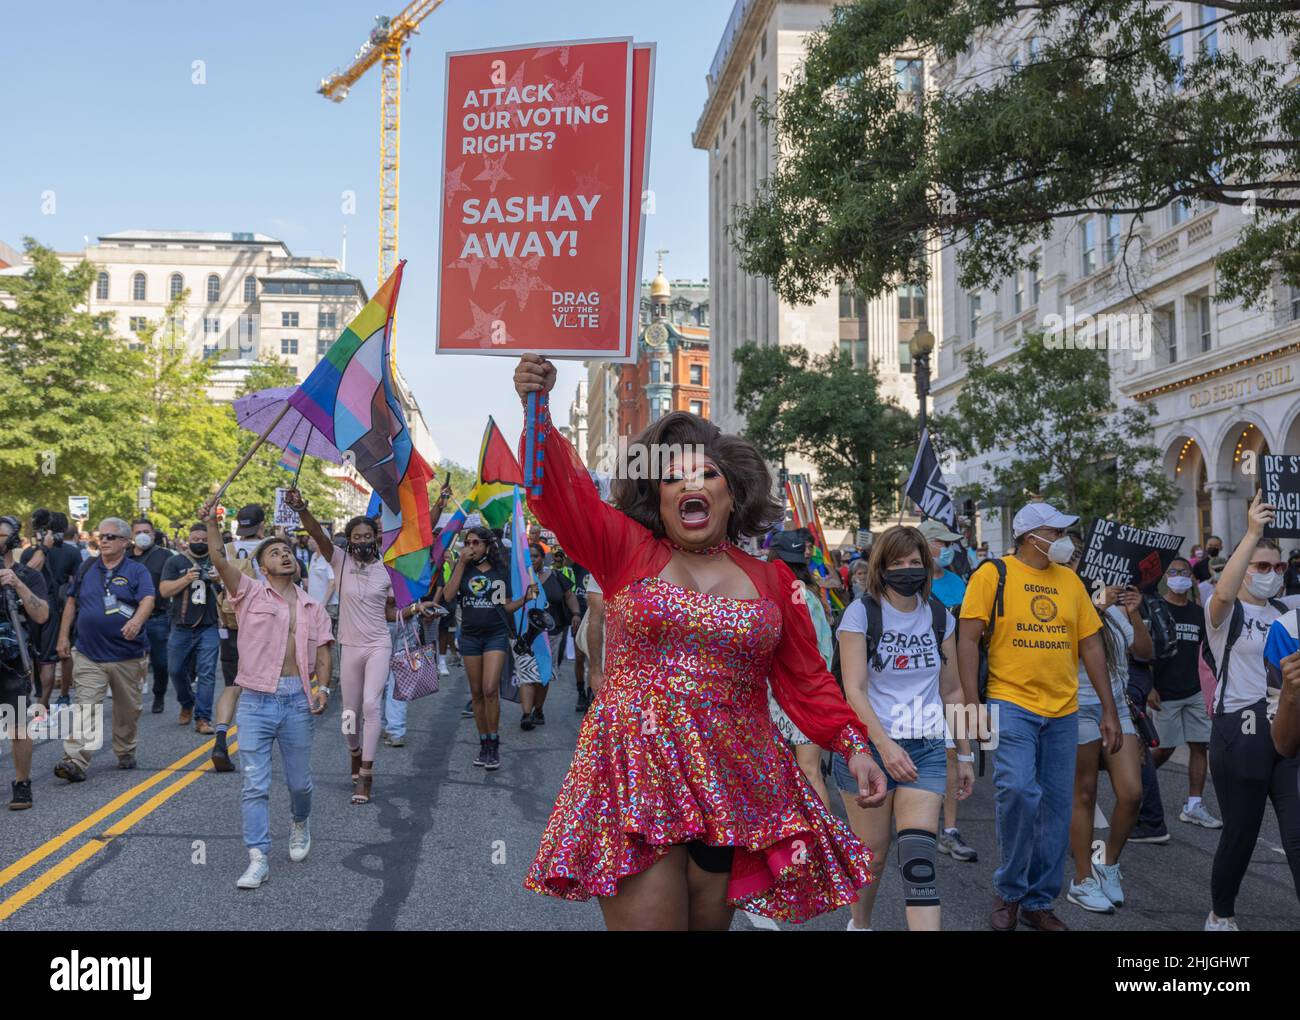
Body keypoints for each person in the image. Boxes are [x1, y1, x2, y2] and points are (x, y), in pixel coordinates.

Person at [514, 354, 887, 930]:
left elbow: (806, 678)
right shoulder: (626, 550)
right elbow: (561, 496)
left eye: (707, 474)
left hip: (735, 781)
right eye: (674, 477)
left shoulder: (773, 581)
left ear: (732, 494)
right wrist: (535, 410)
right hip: (637, 772)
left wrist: (853, 746)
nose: (691, 484)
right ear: (657, 498)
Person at [958, 502, 1119, 932]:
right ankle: (1010, 891)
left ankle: (1039, 901)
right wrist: (972, 705)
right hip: (1010, 703)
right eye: (1057, 531)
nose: (1065, 540)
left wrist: (1108, 709)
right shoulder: (993, 574)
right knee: (1017, 791)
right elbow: (968, 640)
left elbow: (1091, 647)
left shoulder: (1071, 582)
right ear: (1032, 536)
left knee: (1054, 807)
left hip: (1064, 711)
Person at [834, 525, 975, 930]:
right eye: (898, 563)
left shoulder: (939, 616)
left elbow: (952, 691)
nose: (907, 569)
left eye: (915, 562)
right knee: (874, 855)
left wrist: (963, 753)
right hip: (870, 751)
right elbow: (855, 690)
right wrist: (885, 746)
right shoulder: (862, 613)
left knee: (918, 856)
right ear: (882, 567)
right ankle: (860, 923)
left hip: (927, 749)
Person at [198, 501, 331, 889]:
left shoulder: (313, 606)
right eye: (275, 552)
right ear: (261, 567)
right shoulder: (248, 593)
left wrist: (322, 687)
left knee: (299, 784)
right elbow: (220, 558)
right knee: (254, 783)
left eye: (287, 551)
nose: (284, 555)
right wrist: (210, 521)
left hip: (296, 700)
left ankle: (300, 822)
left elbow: (324, 651)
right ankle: (258, 857)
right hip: (255, 701)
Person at [287, 491, 432, 803]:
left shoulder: (388, 571)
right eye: (357, 536)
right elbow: (315, 532)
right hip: (349, 646)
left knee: (371, 705)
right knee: (349, 712)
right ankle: (354, 752)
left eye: (368, 535)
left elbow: (390, 613)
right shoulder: (338, 562)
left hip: (379, 643)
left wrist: (416, 610)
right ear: (349, 540)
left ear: (376, 539)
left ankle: (365, 772)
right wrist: (302, 508)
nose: (363, 540)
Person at [1203, 492, 1300, 931]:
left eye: (1278, 567)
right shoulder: (1225, 611)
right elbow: (1224, 589)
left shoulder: (1289, 613)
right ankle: (1221, 913)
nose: (1271, 574)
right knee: (1240, 836)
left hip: (1288, 731)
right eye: (1262, 566)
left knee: (1297, 837)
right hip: (1240, 733)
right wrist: (1252, 533)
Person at [1065, 569, 1149, 914]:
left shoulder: (1116, 613)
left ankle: (1108, 864)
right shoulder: (1067, 609)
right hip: (1077, 708)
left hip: (1117, 709)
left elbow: (1145, 652)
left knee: (1132, 794)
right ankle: (1082, 879)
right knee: (1084, 792)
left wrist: (1134, 610)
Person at [53, 517, 156, 781]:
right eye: (102, 536)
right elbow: (71, 603)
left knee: (127, 710)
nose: (105, 541)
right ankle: (75, 759)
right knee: (86, 705)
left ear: (124, 542)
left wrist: (136, 621)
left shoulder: (136, 571)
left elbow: (148, 599)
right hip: (88, 652)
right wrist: (64, 637)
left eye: (111, 537)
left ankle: (125, 749)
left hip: (127, 655)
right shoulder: (87, 567)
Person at [441, 527, 534, 767]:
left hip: (495, 635)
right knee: (476, 692)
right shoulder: (463, 569)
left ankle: (494, 744)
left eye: (475, 543)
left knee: (490, 688)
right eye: (467, 542)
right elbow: (449, 596)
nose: (470, 547)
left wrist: (525, 598)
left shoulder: (500, 572)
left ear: (487, 546)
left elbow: (504, 607)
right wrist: (460, 564)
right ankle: (483, 744)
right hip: (470, 637)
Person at [918, 518, 977, 863]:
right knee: (913, 753)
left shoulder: (959, 582)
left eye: (949, 543)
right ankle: (913, 824)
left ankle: (949, 830)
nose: (948, 548)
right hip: (915, 684)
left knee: (953, 752)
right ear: (925, 545)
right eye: (942, 542)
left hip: (950, 683)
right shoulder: (911, 582)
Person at [1147, 557, 1221, 829]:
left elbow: (1208, 652)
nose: (1179, 576)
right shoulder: (1156, 609)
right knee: (1164, 749)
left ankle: (1194, 805)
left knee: (1199, 746)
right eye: (1174, 571)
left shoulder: (1197, 612)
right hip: (1164, 693)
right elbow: (1146, 652)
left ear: (1191, 577)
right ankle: (1139, 786)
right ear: (1166, 577)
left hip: (1195, 691)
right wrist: (1149, 687)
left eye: (1184, 572)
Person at [765, 529, 836, 812]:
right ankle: (823, 845)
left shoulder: (768, 596)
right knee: (810, 772)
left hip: (777, 695)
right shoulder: (811, 598)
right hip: (809, 694)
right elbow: (825, 651)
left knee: (782, 772)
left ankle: (797, 841)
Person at [1, 516, 50, 810]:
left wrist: (16, 583)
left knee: (18, 726)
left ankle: (22, 783)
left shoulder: (28, 575)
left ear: (13, 539)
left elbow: (42, 615)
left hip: (12, 662)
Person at [210, 504, 267, 752]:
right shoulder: (271, 548)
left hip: (232, 622)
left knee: (231, 685)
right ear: (262, 525)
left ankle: (221, 734)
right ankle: (253, 740)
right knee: (261, 686)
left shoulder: (228, 549)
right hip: (264, 624)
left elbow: (217, 575)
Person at [158, 524, 223, 736]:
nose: (200, 542)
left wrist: (219, 579)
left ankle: (203, 718)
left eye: (205, 539)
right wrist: (186, 579)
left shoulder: (218, 561)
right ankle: (187, 702)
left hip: (209, 626)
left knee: (207, 673)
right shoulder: (175, 561)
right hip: (181, 626)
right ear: (188, 539)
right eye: (196, 538)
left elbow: (235, 589)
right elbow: (164, 590)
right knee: (175, 670)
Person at [20, 511, 79, 712]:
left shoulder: (30, 553)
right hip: (58, 610)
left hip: (33, 608)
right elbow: (78, 583)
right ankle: (53, 700)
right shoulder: (71, 553)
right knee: (59, 655)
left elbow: (23, 576)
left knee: (38, 657)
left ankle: (40, 701)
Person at [521, 541, 580, 729]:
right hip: (525, 633)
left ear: (542, 558)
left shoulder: (555, 576)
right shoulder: (519, 578)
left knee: (543, 674)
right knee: (527, 673)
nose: (532, 560)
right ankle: (526, 714)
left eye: (535, 556)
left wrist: (576, 614)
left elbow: (569, 596)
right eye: (528, 556)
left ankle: (539, 709)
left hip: (551, 634)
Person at [130, 519, 173, 715]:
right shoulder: (125, 557)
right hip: (130, 616)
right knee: (130, 660)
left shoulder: (164, 556)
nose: (142, 535)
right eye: (138, 531)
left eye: (146, 531)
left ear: (153, 533)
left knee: (160, 661)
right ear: (131, 535)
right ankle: (131, 697)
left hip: (157, 617)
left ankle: (159, 694)